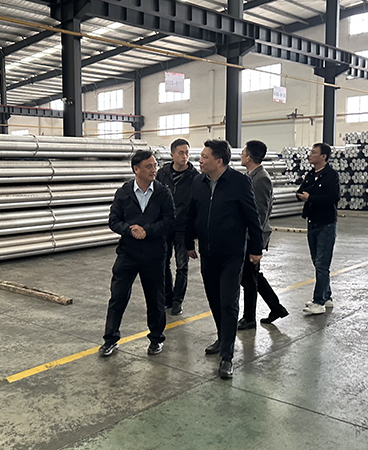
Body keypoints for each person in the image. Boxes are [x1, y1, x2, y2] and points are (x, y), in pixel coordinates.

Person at [185, 140, 263, 379]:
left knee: (229, 302)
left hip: (232, 254)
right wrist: (188, 242)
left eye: (205, 157)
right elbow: (192, 213)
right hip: (207, 253)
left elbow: (252, 217)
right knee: (214, 299)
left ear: (219, 161)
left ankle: (227, 356)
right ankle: (222, 337)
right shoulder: (198, 182)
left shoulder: (239, 182)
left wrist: (256, 248)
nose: (200, 160)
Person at [100, 150, 175, 357]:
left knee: (155, 299)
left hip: (154, 255)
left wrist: (147, 230)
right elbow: (113, 220)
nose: (154, 170)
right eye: (149, 166)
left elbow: (170, 221)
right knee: (117, 297)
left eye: (155, 165)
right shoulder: (124, 192)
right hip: (128, 254)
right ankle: (110, 339)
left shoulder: (162, 193)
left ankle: (156, 339)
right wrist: (129, 229)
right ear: (136, 169)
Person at [237, 140, 288, 329]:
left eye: (243, 152)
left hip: (253, 237)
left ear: (249, 157)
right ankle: (276, 308)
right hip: (248, 235)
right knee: (252, 275)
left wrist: (254, 242)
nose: (241, 155)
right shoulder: (251, 176)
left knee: (249, 279)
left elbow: (259, 213)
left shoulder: (261, 179)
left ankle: (249, 318)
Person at [296, 142, 341, 315]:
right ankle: (326, 296)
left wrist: (311, 197)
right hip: (312, 222)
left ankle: (319, 302)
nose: (310, 155)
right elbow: (301, 191)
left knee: (322, 264)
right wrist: (305, 196)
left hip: (326, 224)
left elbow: (333, 198)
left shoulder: (330, 176)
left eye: (314, 153)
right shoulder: (310, 175)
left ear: (323, 156)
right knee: (317, 262)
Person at [156, 138, 199, 316]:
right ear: (172, 154)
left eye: (187, 153)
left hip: (183, 227)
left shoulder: (195, 177)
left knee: (182, 266)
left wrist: (193, 231)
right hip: (165, 226)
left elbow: (197, 205)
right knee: (163, 263)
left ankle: (177, 301)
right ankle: (168, 297)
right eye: (181, 153)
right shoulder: (162, 174)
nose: (184, 156)